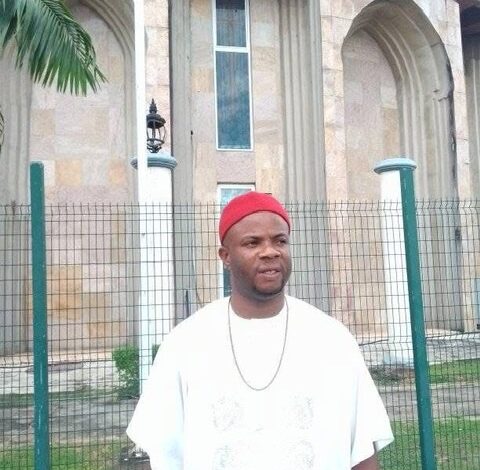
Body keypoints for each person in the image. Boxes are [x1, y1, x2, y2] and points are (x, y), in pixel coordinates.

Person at [127, 191, 394, 470]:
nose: (270, 251)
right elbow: (164, 452)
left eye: (280, 241)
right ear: (225, 256)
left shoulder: (332, 340)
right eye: (252, 242)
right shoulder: (186, 344)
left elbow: (362, 451)